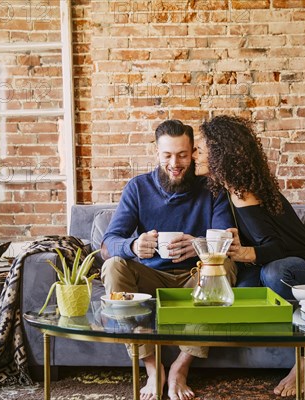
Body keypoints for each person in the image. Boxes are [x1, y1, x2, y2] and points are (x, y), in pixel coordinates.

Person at [194, 115, 305, 397]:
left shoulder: (244, 192)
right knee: (242, 293)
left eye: (200, 150)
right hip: (272, 261)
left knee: (274, 274)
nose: (196, 155)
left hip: (301, 266)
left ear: (219, 155)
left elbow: (276, 248)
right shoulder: (230, 188)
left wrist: (242, 252)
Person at [100, 119, 236, 400]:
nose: (175, 163)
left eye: (183, 155)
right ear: (157, 153)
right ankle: (152, 367)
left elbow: (226, 239)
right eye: (168, 155)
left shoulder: (213, 189)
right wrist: (134, 245)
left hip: (195, 277)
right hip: (150, 277)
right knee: (113, 265)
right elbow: (107, 245)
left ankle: (180, 367)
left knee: (223, 265)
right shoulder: (138, 188)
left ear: (193, 153)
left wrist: (197, 245)